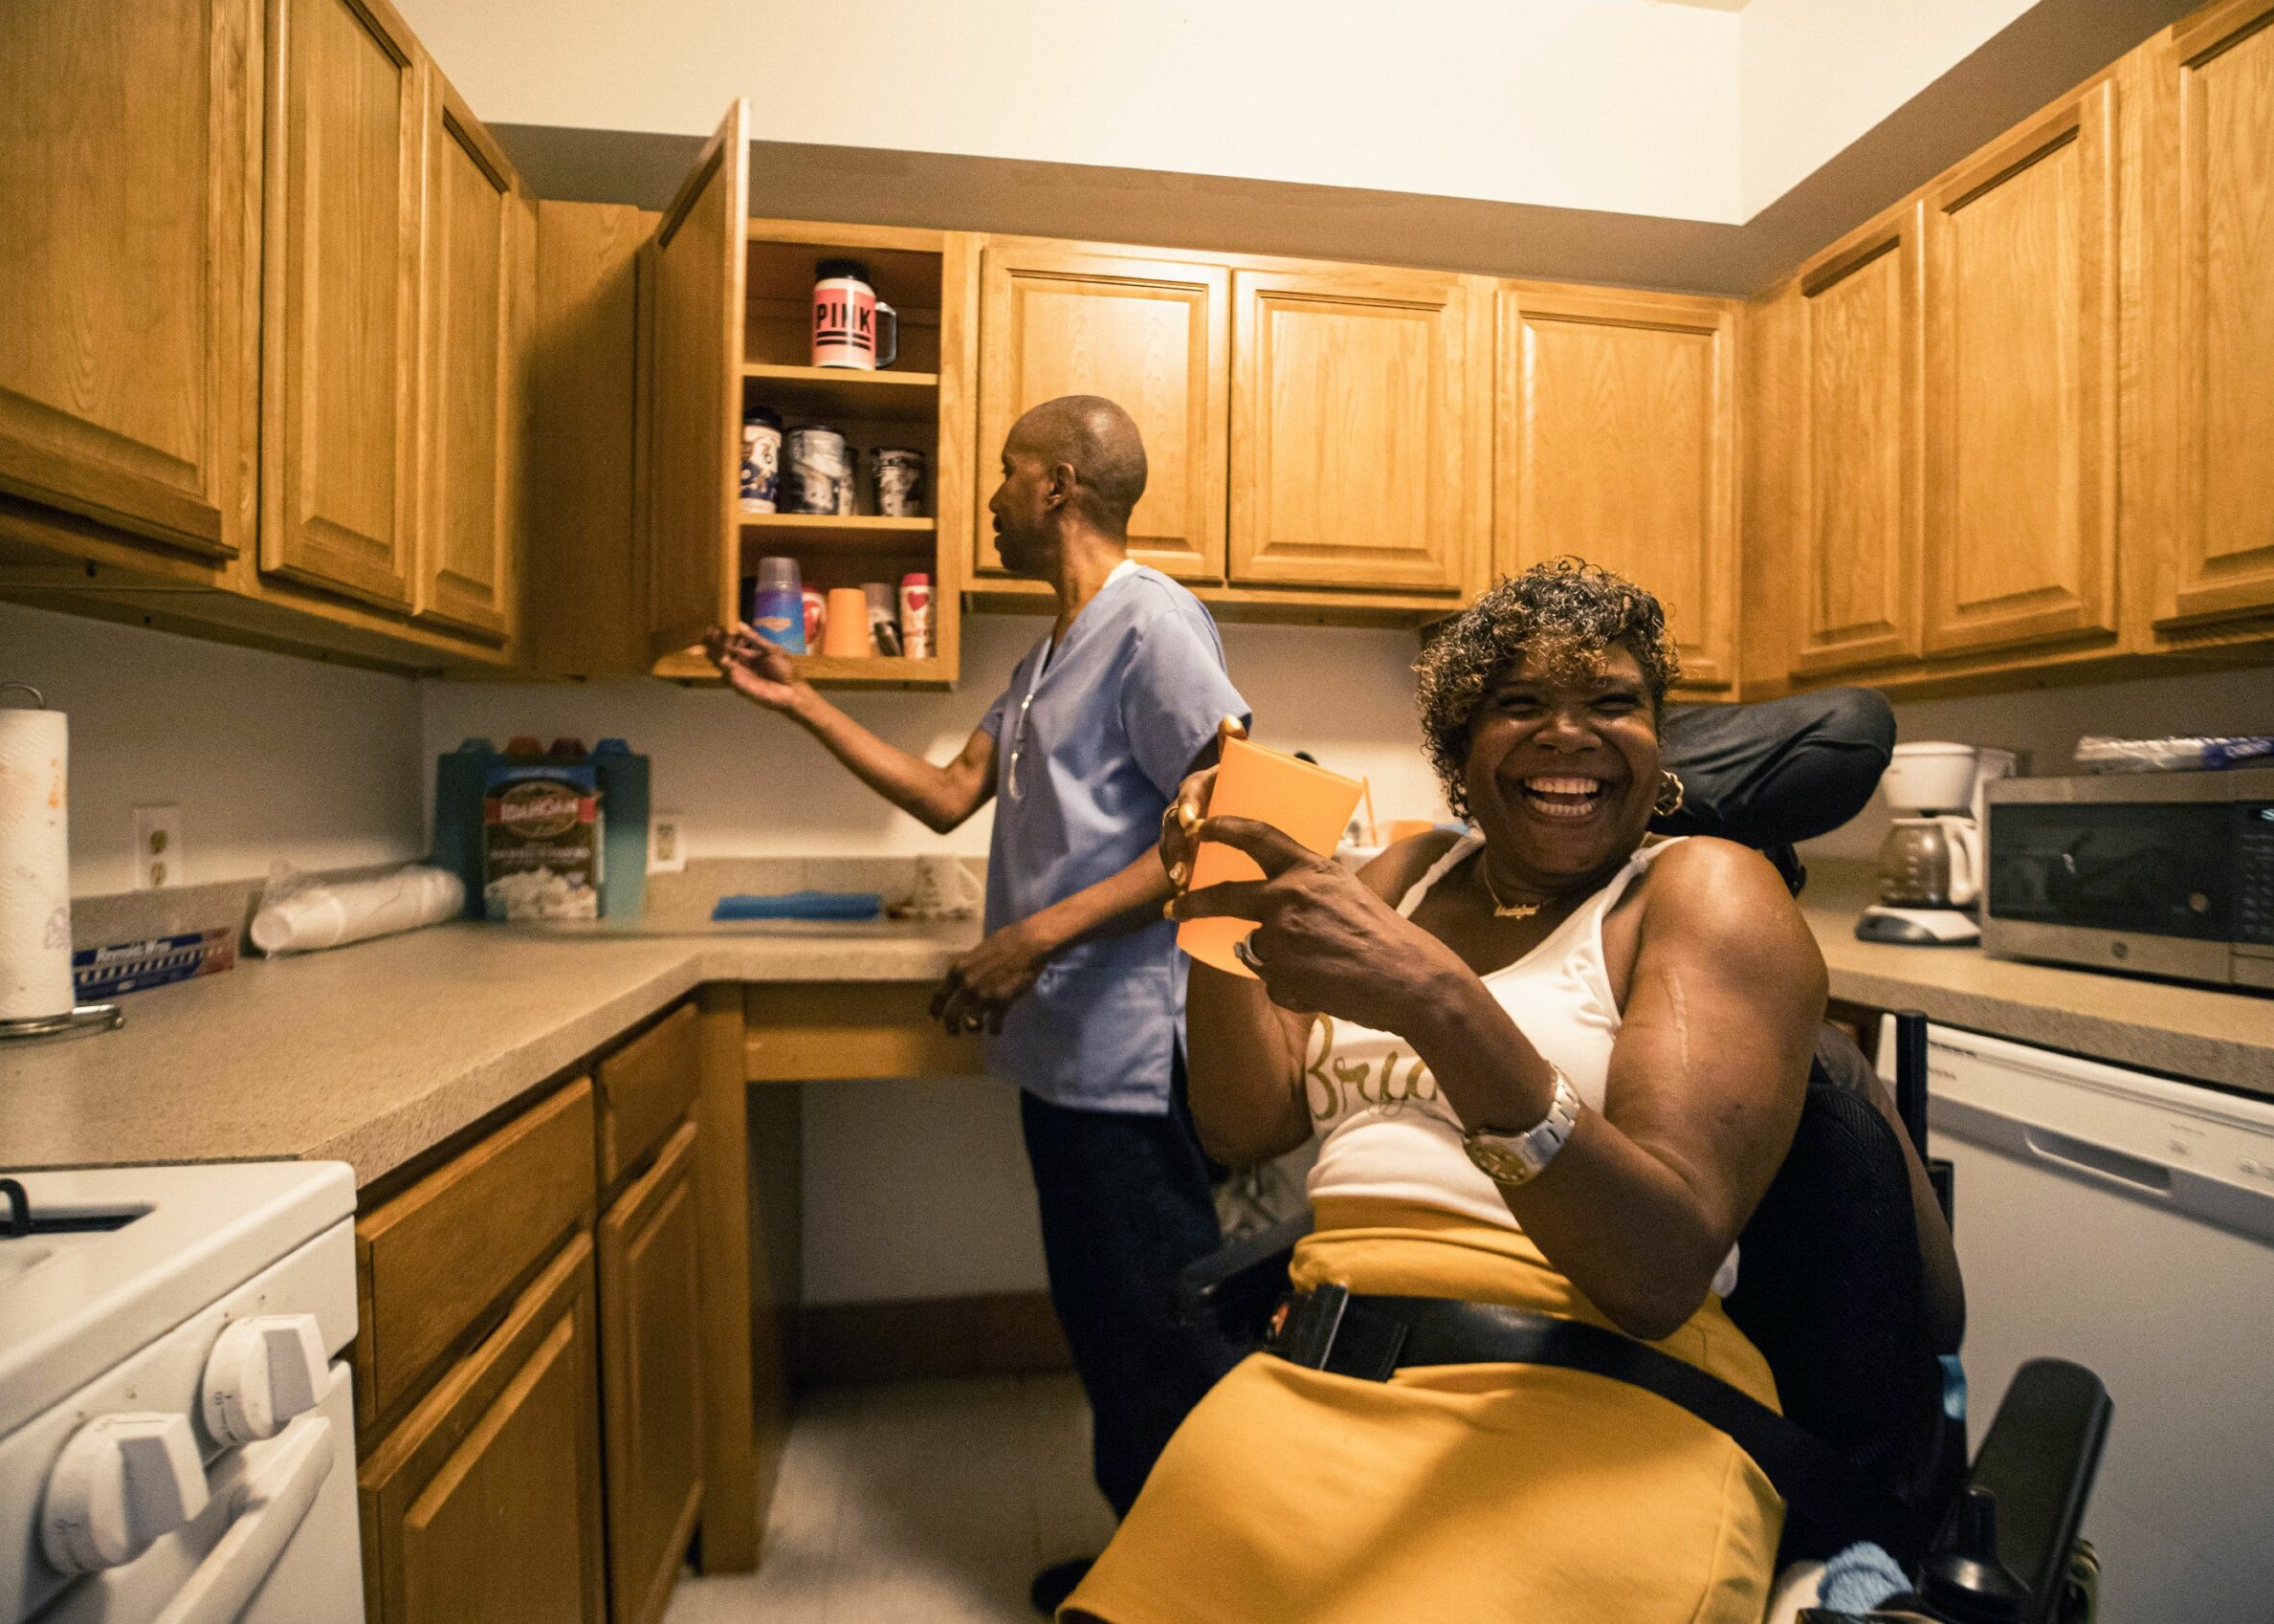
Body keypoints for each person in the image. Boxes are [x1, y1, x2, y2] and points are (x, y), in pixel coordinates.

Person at [1060, 557, 1829, 1624]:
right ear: (1460, 755)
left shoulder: (1703, 888)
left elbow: (1655, 1271)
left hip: (1602, 1387)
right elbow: (1244, 1126)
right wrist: (1217, 901)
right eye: (1520, 705)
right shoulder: (1403, 877)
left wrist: (1438, 999)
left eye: (1612, 701)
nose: (1568, 733)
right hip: (1318, 1374)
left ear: (1657, 747)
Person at [702, 395, 1249, 1614]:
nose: (990, 501)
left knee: (1157, 1338)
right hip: (1059, 1054)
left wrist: (1032, 937)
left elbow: (1228, 826)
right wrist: (799, 701)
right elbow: (952, 793)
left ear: (1056, 485)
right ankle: (1146, 1563)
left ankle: (1202, 1586)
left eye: (1004, 477)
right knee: (1106, 1329)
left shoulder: (1152, 625)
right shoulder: (1046, 655)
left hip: (1126, 1050)